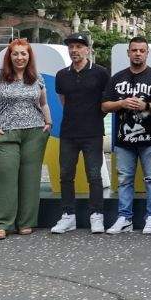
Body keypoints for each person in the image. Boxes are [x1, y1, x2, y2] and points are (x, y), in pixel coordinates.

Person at [0, 39, 52, 239]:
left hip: (35, 132)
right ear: (9, 56)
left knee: (30, 179)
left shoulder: (36, 77)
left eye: (24, 54)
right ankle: (1, 224)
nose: (20, 57)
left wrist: (48, 122)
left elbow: (43, 103)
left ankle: (26, 222)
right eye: (16, 54)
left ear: (29, 57)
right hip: (4, 133)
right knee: (4, 178)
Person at [102, 36, 151, 235]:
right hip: (123, 140)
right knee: (124, 180)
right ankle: (124, 218)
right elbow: (104, 105)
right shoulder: (117, 78)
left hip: (150, 139)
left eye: (141, 50)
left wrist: (146, 105)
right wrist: (121, 103)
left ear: (147, 53)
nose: (138, 53)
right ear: (128, 53)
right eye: (134, 50)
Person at [50, 32, 110, 234]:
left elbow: (105, 103)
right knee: (66, 175)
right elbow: (63, 101)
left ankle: (96, 215)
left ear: (88, 49)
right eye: (71, 47)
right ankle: (68, 216)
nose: (74, 50)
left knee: (94, 175)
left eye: (79, 46)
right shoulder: (61, 75)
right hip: (68, 132)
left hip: (92, 132)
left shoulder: (101, 73)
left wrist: (91, 118)